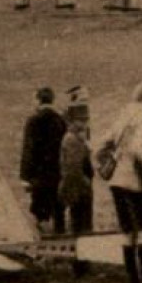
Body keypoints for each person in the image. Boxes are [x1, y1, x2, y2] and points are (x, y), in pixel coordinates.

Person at [95, 82, 142, 283]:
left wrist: (106, 162)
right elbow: (139, 151)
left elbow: (100, 144)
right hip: (137, 182)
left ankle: (132, 281)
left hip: (117, 180)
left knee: (127, 231)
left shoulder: (124, 114)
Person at [19, 87, 70, 234]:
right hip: (57, 173)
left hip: (39, 176)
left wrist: (25, 177)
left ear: (38, 100)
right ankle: (61, 241)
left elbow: (29, 150)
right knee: (58, 211)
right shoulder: (60, 120)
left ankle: (42, 245)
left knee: (40, 211)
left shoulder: (33, 120)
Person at [57, 98, 95, 236]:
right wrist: (85, 182)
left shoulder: (77, 137)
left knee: (81, 223)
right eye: (82, 120)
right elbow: (73, 167)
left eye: (86, 119)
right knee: (81, 225)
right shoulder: (72, 139)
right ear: (73, 120)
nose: (85, 123)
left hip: (78, 186)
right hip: (78, 187)